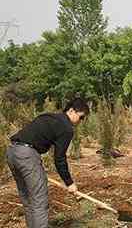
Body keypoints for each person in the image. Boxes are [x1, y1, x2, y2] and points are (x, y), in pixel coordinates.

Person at [6, 98, 89, 228]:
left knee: (28, 198)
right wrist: (69, 182)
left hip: (12, 152)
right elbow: (59, 158)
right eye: (81, 117)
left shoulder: (48, 116)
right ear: (71, 110)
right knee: (39, 200)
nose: (81, 121)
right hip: (27, 155)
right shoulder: (66, 127)